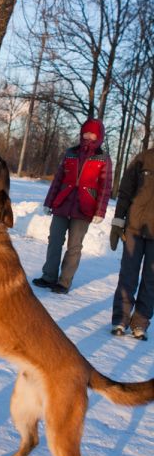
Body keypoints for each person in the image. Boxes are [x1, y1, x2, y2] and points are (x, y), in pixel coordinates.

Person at [32, 118, 112, 294]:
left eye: (93, 134)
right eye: (86, 132)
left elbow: (105, 187)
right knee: (54, 240)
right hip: (62, 203)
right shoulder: (70, 153)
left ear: (99, 136)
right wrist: (49, 202)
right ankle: (48, 277)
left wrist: (100, 211)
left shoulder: (103, 158)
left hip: (85, 208)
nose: (88, 136)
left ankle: (64, 282)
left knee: (74, 246)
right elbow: (58, 179)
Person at [110, 147, 154, 341]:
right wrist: (118, 220)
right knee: (128, 275)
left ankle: (140, 322)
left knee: (151, 280)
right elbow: (126, 190)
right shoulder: (144, 158)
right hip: (134, 228)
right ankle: (121, 318)